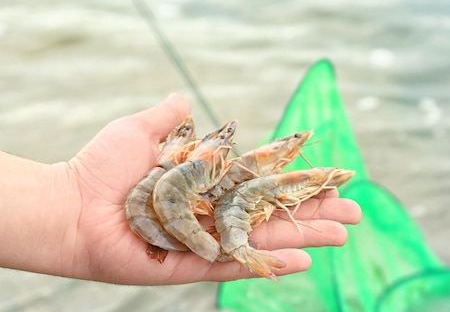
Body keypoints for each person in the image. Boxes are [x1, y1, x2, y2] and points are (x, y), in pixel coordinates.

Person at [0, 94, 362, 285]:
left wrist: (69, 205)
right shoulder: (173, 184)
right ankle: (227, 246)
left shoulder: (194, 173)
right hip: (167, 212)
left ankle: (222, 242)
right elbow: (200, 189)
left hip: (183, 206)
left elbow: (211, 187)